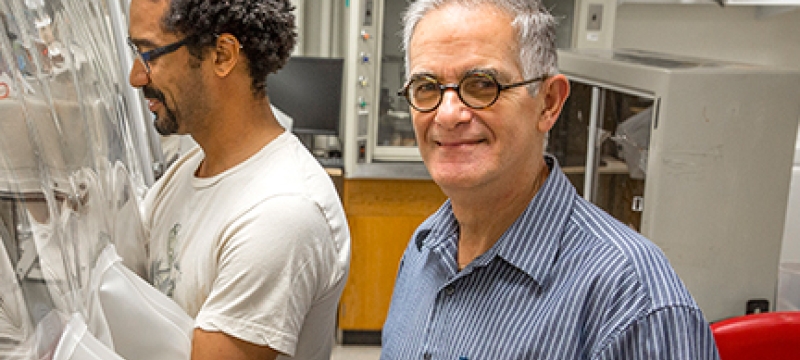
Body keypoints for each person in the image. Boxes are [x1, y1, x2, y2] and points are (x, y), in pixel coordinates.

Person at [381, 1, 720, 359]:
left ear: (548, 103)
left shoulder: (630, 298)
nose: (447, 115)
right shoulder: (424, 250)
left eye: (482, 84)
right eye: (426, 87)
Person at [127, 1, 350, 359]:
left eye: (149, 54)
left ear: (222, 55)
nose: (136, 77)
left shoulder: (281, 212)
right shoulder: (189, 171)